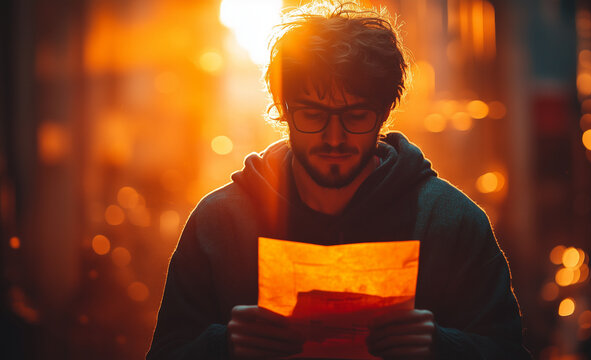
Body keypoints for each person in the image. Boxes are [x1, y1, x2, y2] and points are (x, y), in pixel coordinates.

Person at [147, 2, 531, 359]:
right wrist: (225, 344)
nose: (334, 137)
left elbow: (509, 350)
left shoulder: (449, 221)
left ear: (384, 113)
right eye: (313, 115)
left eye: (356, 115)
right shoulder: (220, 221)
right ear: (283, 110)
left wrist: (441, 347)